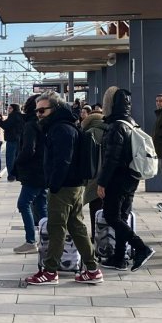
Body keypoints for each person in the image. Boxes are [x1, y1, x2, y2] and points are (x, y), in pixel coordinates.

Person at [26, 92, 101, 285]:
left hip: (64, 187)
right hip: (73, 186)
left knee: (56, 227)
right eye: (37, 111)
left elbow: (63, 161)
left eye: (42, 110)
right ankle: (92, 270)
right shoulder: (66, 126)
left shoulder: (60, 130)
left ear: (55, 109)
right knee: (76, 227)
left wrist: (54, 184)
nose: (39, 114)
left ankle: (50, 272)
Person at [97, 87, 156, 272]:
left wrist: (102, 182)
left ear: (111, 104)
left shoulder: (116, 127)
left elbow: (111, 159)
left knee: (111, 216)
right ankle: (119, 258)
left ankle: (141, 248)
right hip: (131, 177)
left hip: (117, 178)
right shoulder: (131, 123)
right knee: (122, 216)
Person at [10, 95, 48, 254]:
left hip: (33, 173)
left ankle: (30, 241)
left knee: (23, 204)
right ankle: (47, 239)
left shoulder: (31, 125)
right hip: (43, 172)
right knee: (41, 205)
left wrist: (17, 162)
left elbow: (28, 150)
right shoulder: (43, 124)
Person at [79, 103, 107, 237]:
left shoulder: (89, 133)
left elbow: (84, 159)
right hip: (109, 177)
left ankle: (95, 236)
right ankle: (106, 236)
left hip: (94, 177)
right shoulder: (110, 130)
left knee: (95, 207)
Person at [0, 103, 23, 181]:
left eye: (10, 108)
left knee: (10, 159)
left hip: (12, 140)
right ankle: (18, 175)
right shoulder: (21, 116)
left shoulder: (13, 116)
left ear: (14, 109)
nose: (8, 110)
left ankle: (11, 175)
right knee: (17, 158)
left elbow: (4, 125)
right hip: (20, 140)